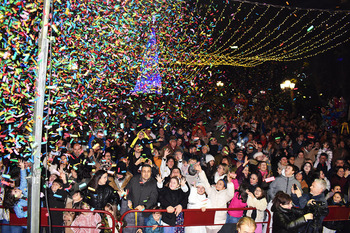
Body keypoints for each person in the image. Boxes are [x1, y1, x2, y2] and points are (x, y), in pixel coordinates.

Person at [194, 163, 235, 233]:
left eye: (220, 184)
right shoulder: (211, 190)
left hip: (219, 222)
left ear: (224, 187)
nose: (217, 185)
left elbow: (231, 194)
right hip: (208, 221)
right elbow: (205, 182)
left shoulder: (226, 194)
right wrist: (200, 171)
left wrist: (230, 182)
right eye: (217, 183)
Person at [125, 164, 158, 233]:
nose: (146, 173)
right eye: (144, 171)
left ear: (151, 172)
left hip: (145, 214)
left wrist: (144, 206)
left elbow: (153, 199)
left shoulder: (154, 183)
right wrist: (128, 199)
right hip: (132, 212)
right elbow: (127, 191)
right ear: (141, 172)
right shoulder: (134, 179)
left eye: (148, 171)